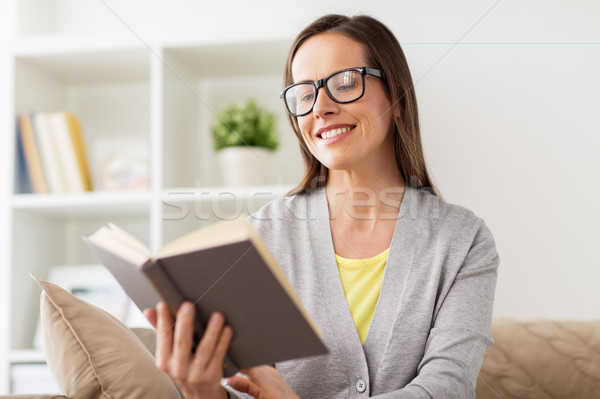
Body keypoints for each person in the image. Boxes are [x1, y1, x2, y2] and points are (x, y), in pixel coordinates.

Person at [144, 14, 499, 399]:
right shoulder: (261, 237)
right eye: (304, 94)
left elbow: (447, 389)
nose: (320, 108)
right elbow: (250, 388)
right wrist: (206, 394)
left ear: (396, 97)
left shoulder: (463, 241)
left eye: (346, 83)